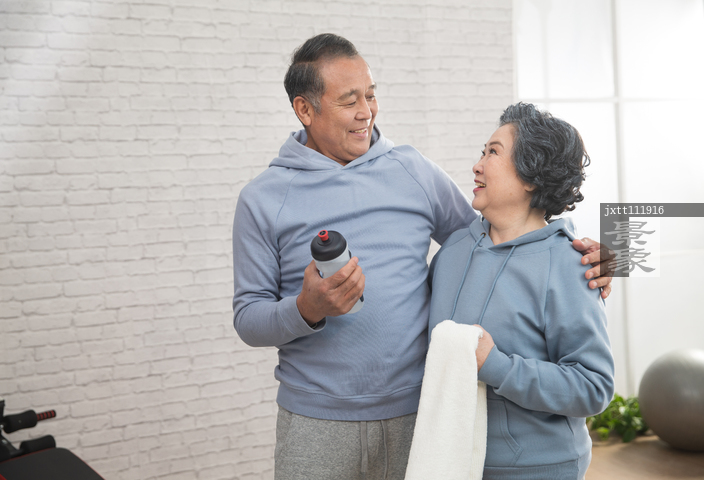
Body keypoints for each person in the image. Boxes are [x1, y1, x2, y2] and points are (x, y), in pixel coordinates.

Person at [232, 34, 612, 479]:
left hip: (420, 416)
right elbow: (248, 318)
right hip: (316, 421)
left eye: (371, 95)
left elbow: (507, 232)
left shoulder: (413, 171)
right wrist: (306, 308)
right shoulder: (263, 199)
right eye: (349, 101)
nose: (366, 112)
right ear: (305, 109)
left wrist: (598, 258)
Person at [428, 103, 615, 479]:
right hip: (454, 463)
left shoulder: (568, 264)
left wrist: (495, 366)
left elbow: (593, 386)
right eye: (482, 152)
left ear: (531, 176)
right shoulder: (451, 253)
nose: (477, 165)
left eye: (492, 153)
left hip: (537, 468)